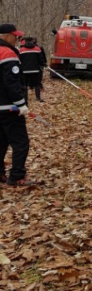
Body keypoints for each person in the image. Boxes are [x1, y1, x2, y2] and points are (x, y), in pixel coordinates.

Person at [0, 23, 33, 187]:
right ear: (6, 36)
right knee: (21, 143)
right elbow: (11, 82)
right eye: (15, 36)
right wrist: (21, 104)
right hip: (10, 107)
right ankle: (17, 176)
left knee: (1, 141)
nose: (17, 38)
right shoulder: (7, 53)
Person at [19, 36, 46, 102]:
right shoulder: (37, 49)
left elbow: (19, 60)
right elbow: (41, 59)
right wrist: (43, 64)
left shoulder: (21, 50)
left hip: (24, 71)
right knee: (37, 84)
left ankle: (25, 99)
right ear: (32, 41)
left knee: (25, 85)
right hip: (35, 70)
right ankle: (38, 98)